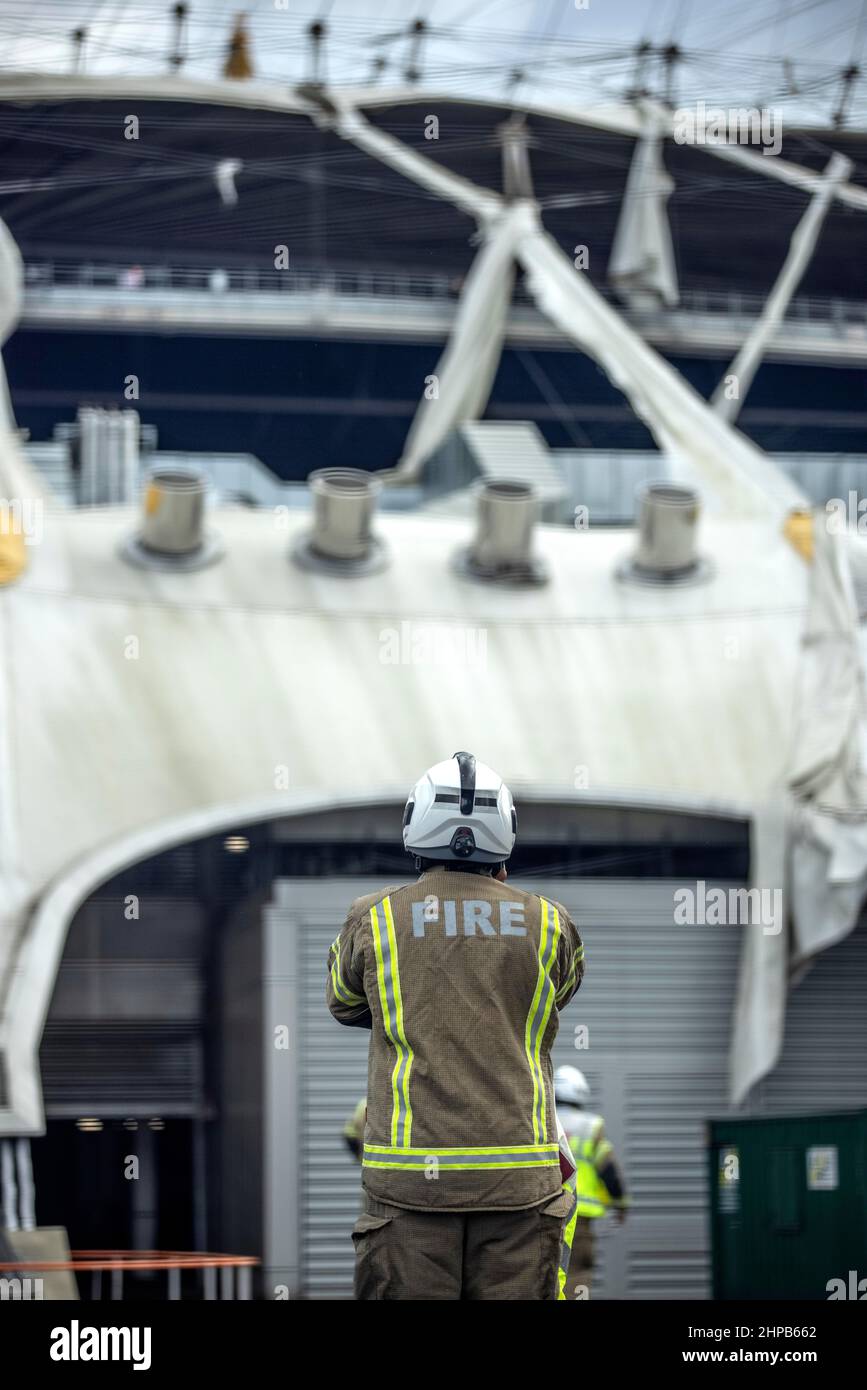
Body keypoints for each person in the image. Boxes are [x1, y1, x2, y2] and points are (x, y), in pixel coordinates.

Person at [326, 751, 584, 1300]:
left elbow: (345, 1002)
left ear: (415, 832)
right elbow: (556, 995)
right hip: (522, 1189)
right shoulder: (550, 923)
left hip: (408, 1192)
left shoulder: (373, 918)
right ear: (504, 842)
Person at [554, 1066, 630, 1299]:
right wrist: (620, 1204)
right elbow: (608, 1171)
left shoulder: (540, 1121)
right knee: (576, 1274)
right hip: (579, 1219)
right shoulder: (590, 1127)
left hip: (541, 1214)